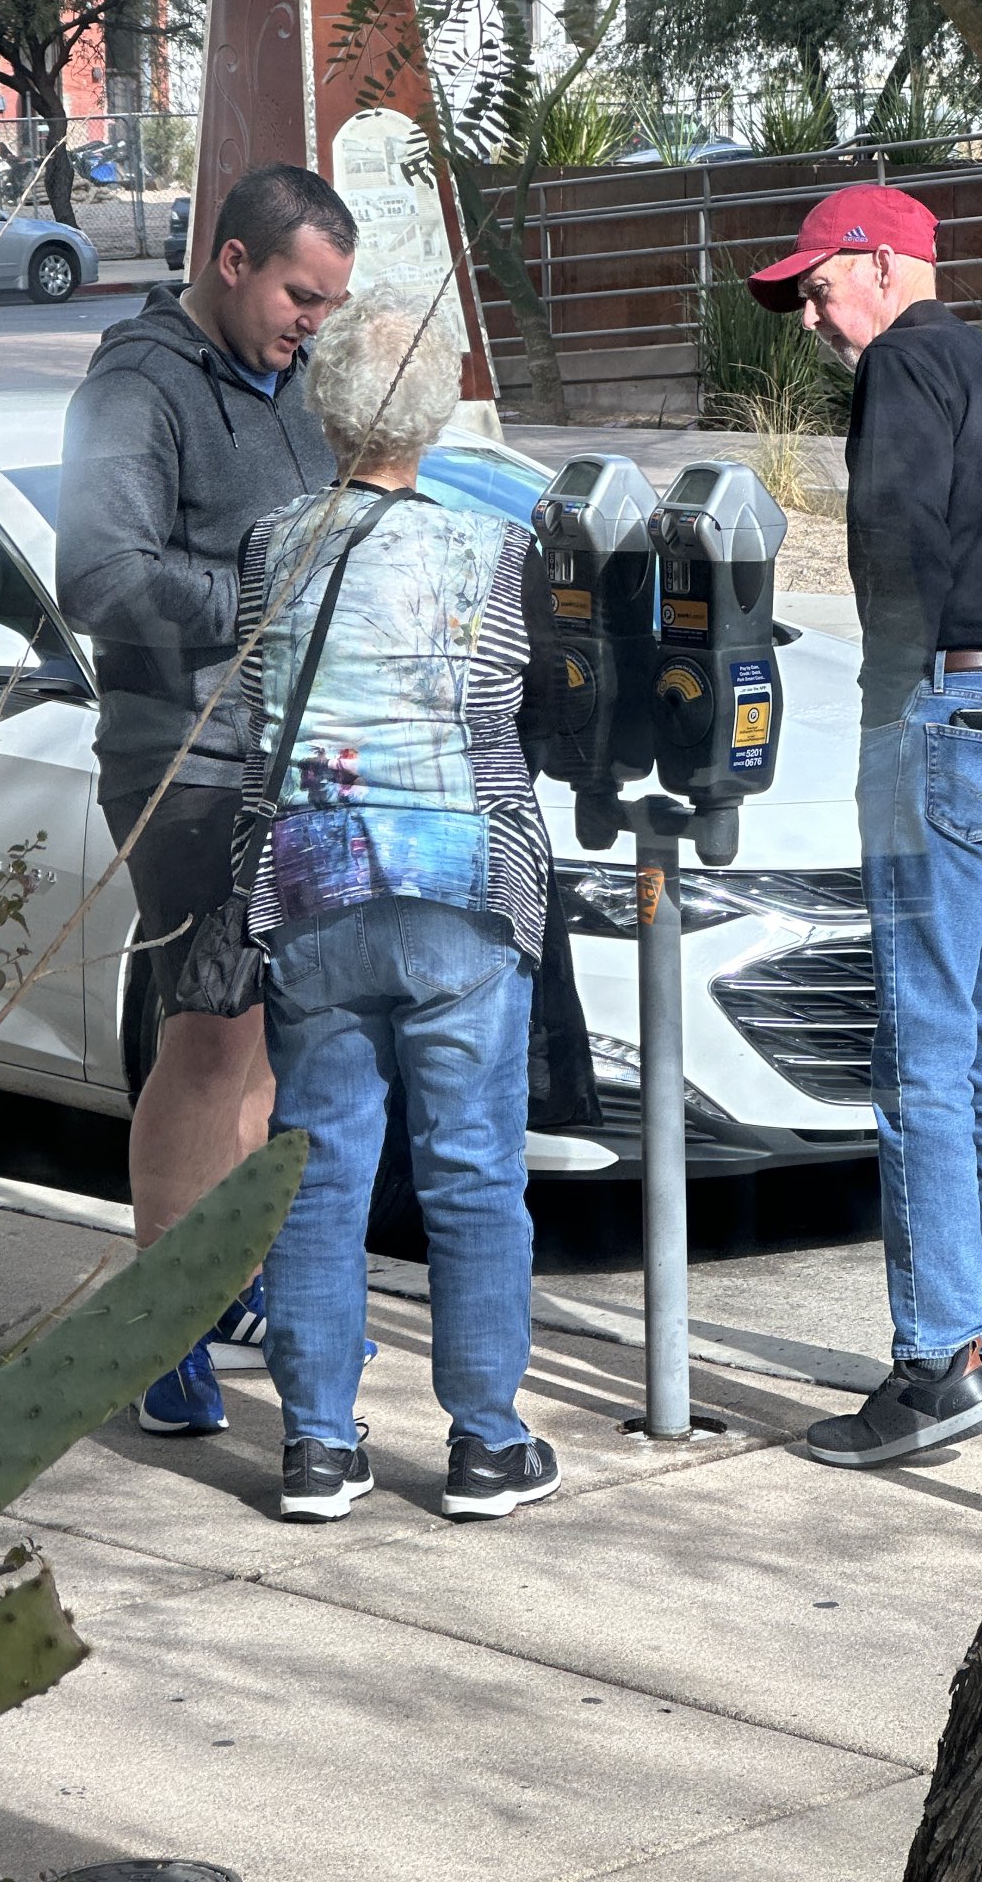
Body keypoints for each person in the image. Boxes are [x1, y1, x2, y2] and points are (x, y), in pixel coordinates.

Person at [747, 184, 982, 1469]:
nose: (806, 316)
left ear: (883, 267)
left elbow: (889, 544)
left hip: (951, 719)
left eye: (815, 286)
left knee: (923, 1054)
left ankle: (935, 1359)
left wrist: (913, 706)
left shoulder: (902, 362)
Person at [235, 284, 564, 1523]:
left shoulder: (276, 544)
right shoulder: (493, 552)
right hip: (457, 889)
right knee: (474, 1169)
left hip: (313, 884)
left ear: (326, 411)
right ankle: (486, 1443)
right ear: (434, 418)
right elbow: (508, 715)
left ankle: (317, 1447)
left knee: (316, 1170)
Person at [56, 164, 357, 1436]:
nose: (314, 323)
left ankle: (226, 1279)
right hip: (185, 760)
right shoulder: (138, 386)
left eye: (332, 305)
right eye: (301, 294)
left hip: (298, 756)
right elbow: (101, 575)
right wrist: (262, 596)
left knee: (273, 1037)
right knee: (209, 1035)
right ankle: (158, 1332)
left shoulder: (291, 390)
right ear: (231, 261)